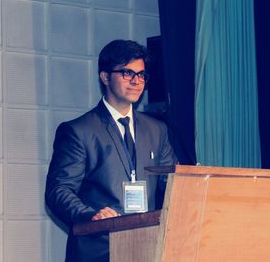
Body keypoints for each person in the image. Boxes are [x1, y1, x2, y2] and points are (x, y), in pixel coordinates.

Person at [45, 39, 177, 262]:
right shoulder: (79, 131)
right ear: (105, 77)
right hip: (98, 250)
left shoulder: (157, 129)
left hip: (148, 248)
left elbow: (171, 184)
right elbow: (59, 191)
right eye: (127, 73)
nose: (137, 81)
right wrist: (91, 216)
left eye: (142, 75)